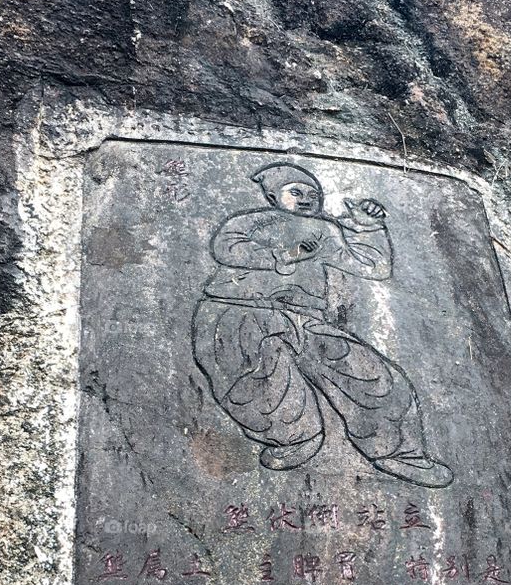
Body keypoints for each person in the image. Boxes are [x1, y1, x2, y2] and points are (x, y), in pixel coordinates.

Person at [191, 162, 453, 488]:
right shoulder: (251, 221)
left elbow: (372, 266)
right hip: (239, 311)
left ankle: (398, 451)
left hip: (307, 318)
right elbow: (227, 248)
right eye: (295, 192)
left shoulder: (324, 231)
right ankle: (293, 439)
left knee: (368, 373)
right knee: (261, 376)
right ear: (273, 195)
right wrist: (286, 254)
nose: (306, 199)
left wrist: (367, 227)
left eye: (313, 194)